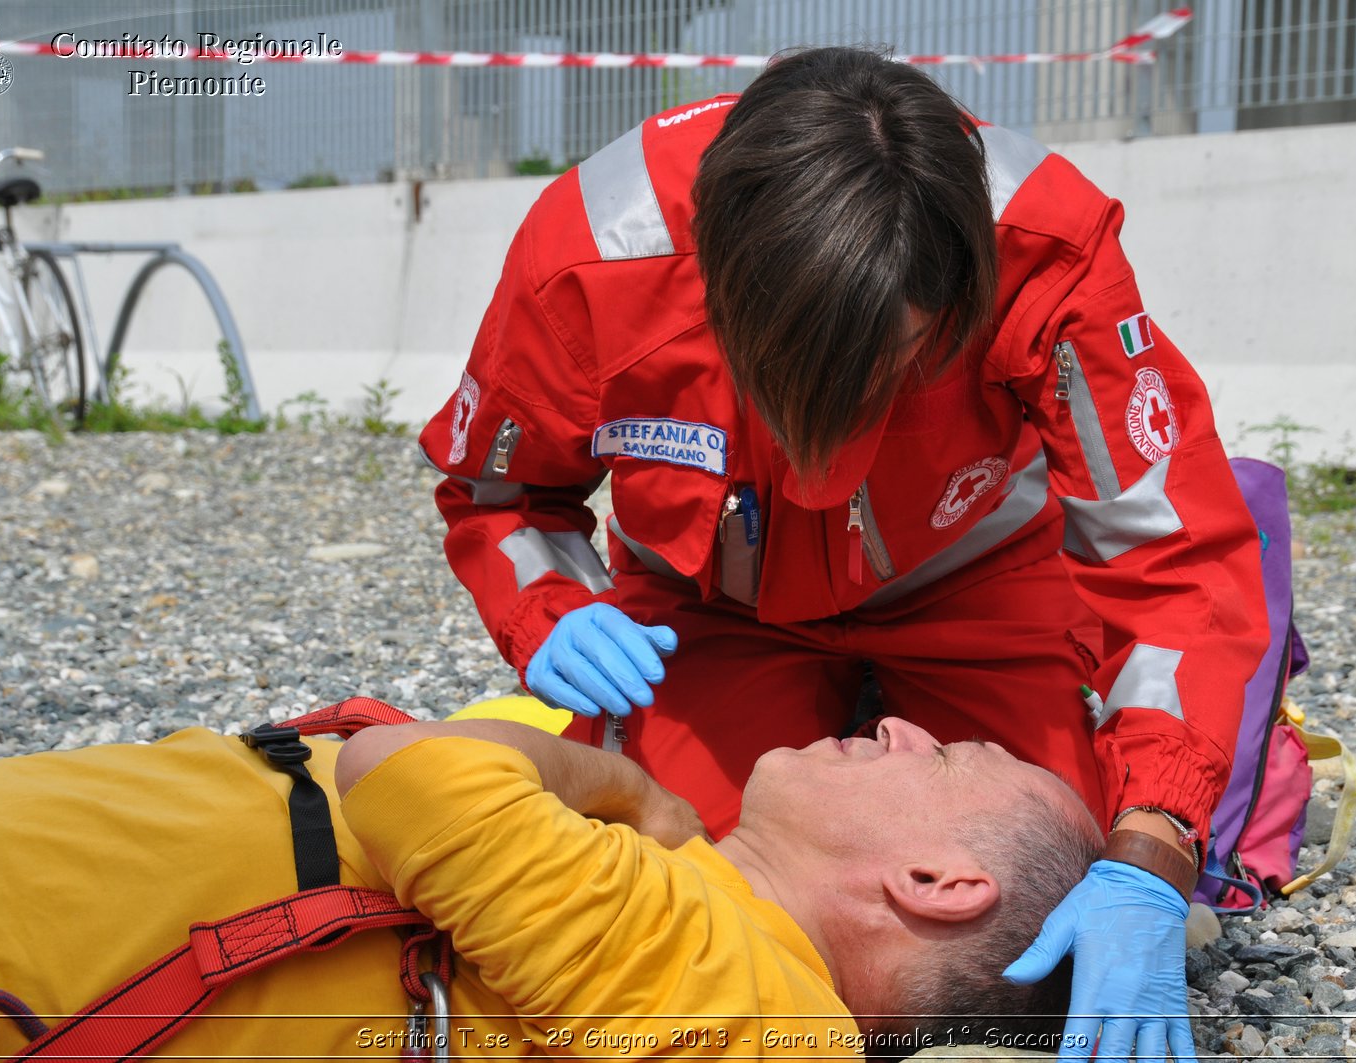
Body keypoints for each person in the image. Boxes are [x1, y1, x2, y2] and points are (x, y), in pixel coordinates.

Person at [418, 45, 1266, 1061]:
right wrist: (550, 609)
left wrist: (1155, 844)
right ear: (713, 283)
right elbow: (499, 494)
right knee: (687, 869)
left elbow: (1170, 562)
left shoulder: (1047, 250)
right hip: (711, 605)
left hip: (978, 582)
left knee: (1043, 900)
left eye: (895, 369)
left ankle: (1257, 734)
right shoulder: (593, 257)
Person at [0, 705, 1100, 1061]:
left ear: (936, 880)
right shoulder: (713, 927)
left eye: (942, 759)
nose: (896, 724)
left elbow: (410, 772)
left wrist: (626, 787)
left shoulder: (758, 1012)